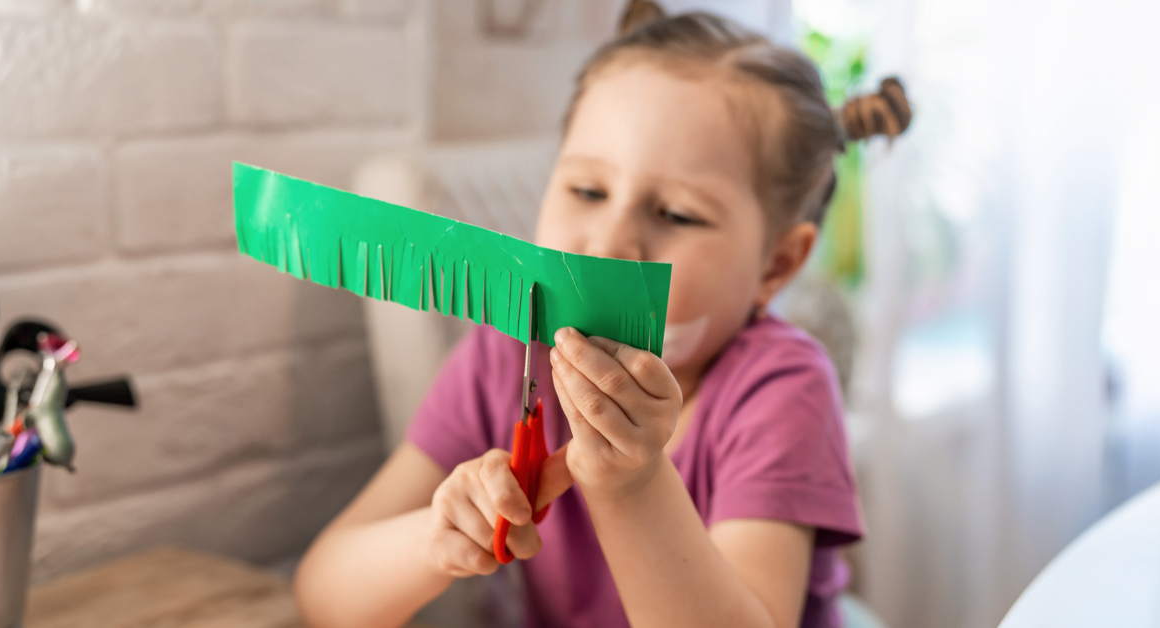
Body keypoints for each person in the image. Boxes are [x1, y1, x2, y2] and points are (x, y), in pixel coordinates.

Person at [294, 3, 911, 627]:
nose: (609, 244)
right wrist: (436, 538)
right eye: (587, 191)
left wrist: (633, 484)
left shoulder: (782, 388)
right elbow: (324, 595)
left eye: (676, 215)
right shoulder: (502, 358)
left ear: (776, 266)